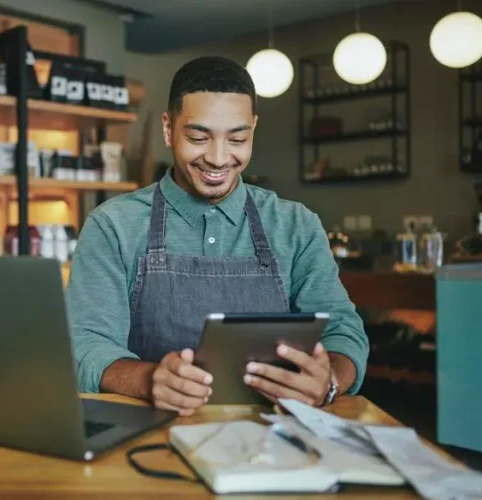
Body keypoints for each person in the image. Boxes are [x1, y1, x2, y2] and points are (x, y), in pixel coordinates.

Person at [66, 56, 368, 416]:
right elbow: (84, 345)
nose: (219, 158)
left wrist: (328, 380)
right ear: (168, 129)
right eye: (198, 137)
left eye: (237, 138)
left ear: (253, 129)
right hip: (147, 440)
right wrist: (148, 380)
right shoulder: (112, 226)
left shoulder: (297, 225)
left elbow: (344, 332)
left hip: (271, 443)